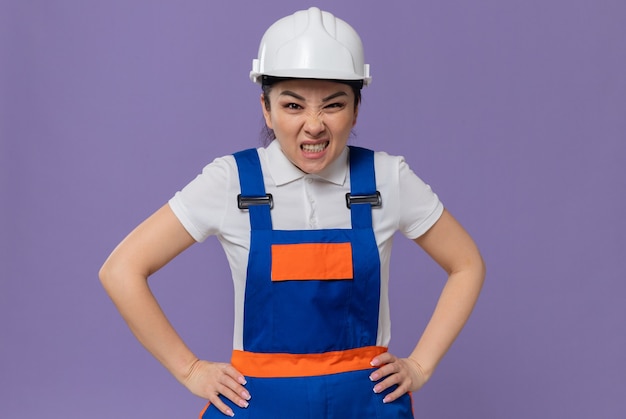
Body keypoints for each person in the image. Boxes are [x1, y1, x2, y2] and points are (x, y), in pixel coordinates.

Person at [99, 6, 485, 418]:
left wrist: (420, 365)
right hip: (258, 404)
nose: (314, 125)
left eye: (333, 105)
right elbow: (120, 270)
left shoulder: (387, 178)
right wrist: (190, 369)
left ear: (356, 109)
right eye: (293, 105)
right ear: (266, 108)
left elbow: (467, 264)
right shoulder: (231, 181)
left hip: (365, 405)